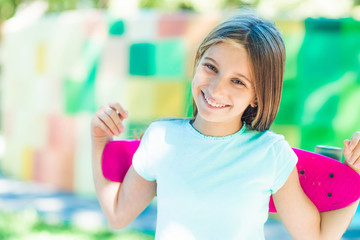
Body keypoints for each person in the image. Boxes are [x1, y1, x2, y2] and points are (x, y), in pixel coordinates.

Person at [91, 11, 360, 240]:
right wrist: (99, 139)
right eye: (211, 67)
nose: (216, 88)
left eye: (238, 81)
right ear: (198, 61)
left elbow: (316, 235)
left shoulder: (271, 153)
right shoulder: (160, 139)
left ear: (258, 95)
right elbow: (117, 215)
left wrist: (355, 177)